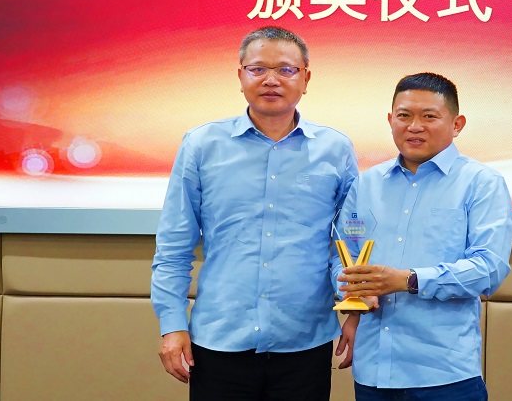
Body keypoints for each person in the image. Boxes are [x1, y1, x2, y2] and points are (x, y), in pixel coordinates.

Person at [151, 26, 358, 400]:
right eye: (258, 69)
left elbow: (346, 247)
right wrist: (172, 324)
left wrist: (355, 309)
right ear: (240, 76)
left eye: (286, 70)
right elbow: (173, 248)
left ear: (306, 78)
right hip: (220, 338)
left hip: (305, 340)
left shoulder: (335, 149)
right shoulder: (202, 145)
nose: (271, 80)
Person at [336, 72, 512, 401]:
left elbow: (489, 268)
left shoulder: (481, 183)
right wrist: (355, 298)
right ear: (390, 120)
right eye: (404, 116)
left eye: (429, 116)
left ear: (457, 124)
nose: (414, 126)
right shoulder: (366, 184)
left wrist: (408, 280)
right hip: (373, 367)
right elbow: (342, 253)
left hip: (443, 373)